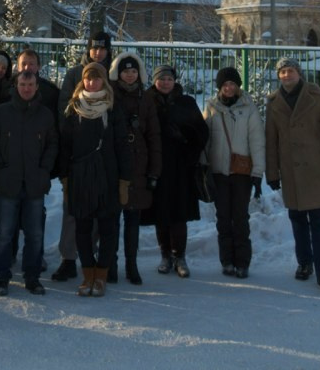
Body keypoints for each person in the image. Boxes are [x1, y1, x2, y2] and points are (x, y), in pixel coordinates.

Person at [265, 56, 320, 294]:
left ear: (299, 73)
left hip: (316, 169)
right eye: (282, 72)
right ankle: (304, 263)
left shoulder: (317, 96)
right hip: (291, 171)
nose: (286, 75)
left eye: (290, 71)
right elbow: (271, 140)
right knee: (298, 220)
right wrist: (272, 173)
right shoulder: (273, 102)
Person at [59, 63, 132, 297]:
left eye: (97, 78)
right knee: (82, 228)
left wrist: (124, 179)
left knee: (108, 228)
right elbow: (65, 145)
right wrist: (64, 177)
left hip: (107, 175)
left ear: (104, 81)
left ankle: (101, 275)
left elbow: (122, 145)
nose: (92, 83)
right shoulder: (74, 108)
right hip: (80, 176)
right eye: (88, 79)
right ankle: (87, 274)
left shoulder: (112, 108)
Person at [0, 68, 58, 296]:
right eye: (23, 85)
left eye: (30, 85)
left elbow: (53, 144)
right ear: (16, 87)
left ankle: (32, 277)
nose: (26, 89)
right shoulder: (2, 112)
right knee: (4, 234)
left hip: (35, 184)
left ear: (36, 87)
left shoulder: (45, 114)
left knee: (35, 234)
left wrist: (44, 169)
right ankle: (1, 277)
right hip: (8, 182)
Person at [52, 29, 114, 282]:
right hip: (78, 158)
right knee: (72, 212)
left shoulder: (113, 74)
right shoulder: (74, 74)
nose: (98, 52)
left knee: (101, 213)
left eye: (102, 48)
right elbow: (64, 111)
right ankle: (68, 258)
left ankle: (97, 259)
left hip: (102, 158)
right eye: (94, 48)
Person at [142, 65, 208, 278]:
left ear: (175, 81)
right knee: (160, 212)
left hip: (181, 166)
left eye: (169, 79)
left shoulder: (186, 102)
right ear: (154, 81)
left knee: (179, 214)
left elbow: (202, 132)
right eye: (161, 79)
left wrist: (186, 141)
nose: (165, 82)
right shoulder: (146, 101)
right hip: (156, 165)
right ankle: (165, 255)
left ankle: (179, 256)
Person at [203, 67, 265, 278]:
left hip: (241, 172)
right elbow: (205, 140)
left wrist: (258, 172)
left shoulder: (249, 108)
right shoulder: (211, 108)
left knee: (240, 218)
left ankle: (242, 262)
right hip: (219, 172)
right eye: (225, 84)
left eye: (232, 84)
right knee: (223, 218)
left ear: (238, 86)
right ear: (219, 87)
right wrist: (204, 168)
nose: (229, 88)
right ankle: (227, 260)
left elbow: (257, 141)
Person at [108, 52, 162, 284]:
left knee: (133, 220)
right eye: (125, 71)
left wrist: (154, 170)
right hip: (115, 163)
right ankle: (110, 264)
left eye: (133, 71)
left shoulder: (145, 98)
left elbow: (153, 135)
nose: (129, 75)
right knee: (111, 219)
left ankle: (132, 264)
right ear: (118, 73)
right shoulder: (110, 95)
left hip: (139, 164)